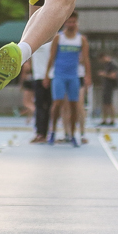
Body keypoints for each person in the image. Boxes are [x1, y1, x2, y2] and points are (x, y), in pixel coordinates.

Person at [45, 12, 89, 146]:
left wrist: (88, 76)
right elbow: (52, 57)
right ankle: (52, 131)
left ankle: (72, 134)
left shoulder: (81, 40)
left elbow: (86, 59)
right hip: (59, 75)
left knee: (74, 105)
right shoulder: (59, 38)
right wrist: (47, 75)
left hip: (73, 76)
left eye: (73, 22)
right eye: (69, 22)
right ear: (65, 23)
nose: (71, 24)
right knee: (57, 103)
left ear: (77, 23)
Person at [29, 42, 52, 142]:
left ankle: (46, 133)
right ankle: (40, 133)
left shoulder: (51, 43)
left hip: (49, 77)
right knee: (39, 106)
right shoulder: (34, 43)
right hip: (37, 78)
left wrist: (47, 76)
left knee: (48, 106)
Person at [97, 54, 118, 126]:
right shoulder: (107, 65)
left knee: (109, 103)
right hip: (106, 86)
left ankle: (112, 119)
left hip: (110, 86)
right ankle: (104, 119)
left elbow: (113, 76)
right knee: (105, 103)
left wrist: (104, 74)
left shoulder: (112, 65)